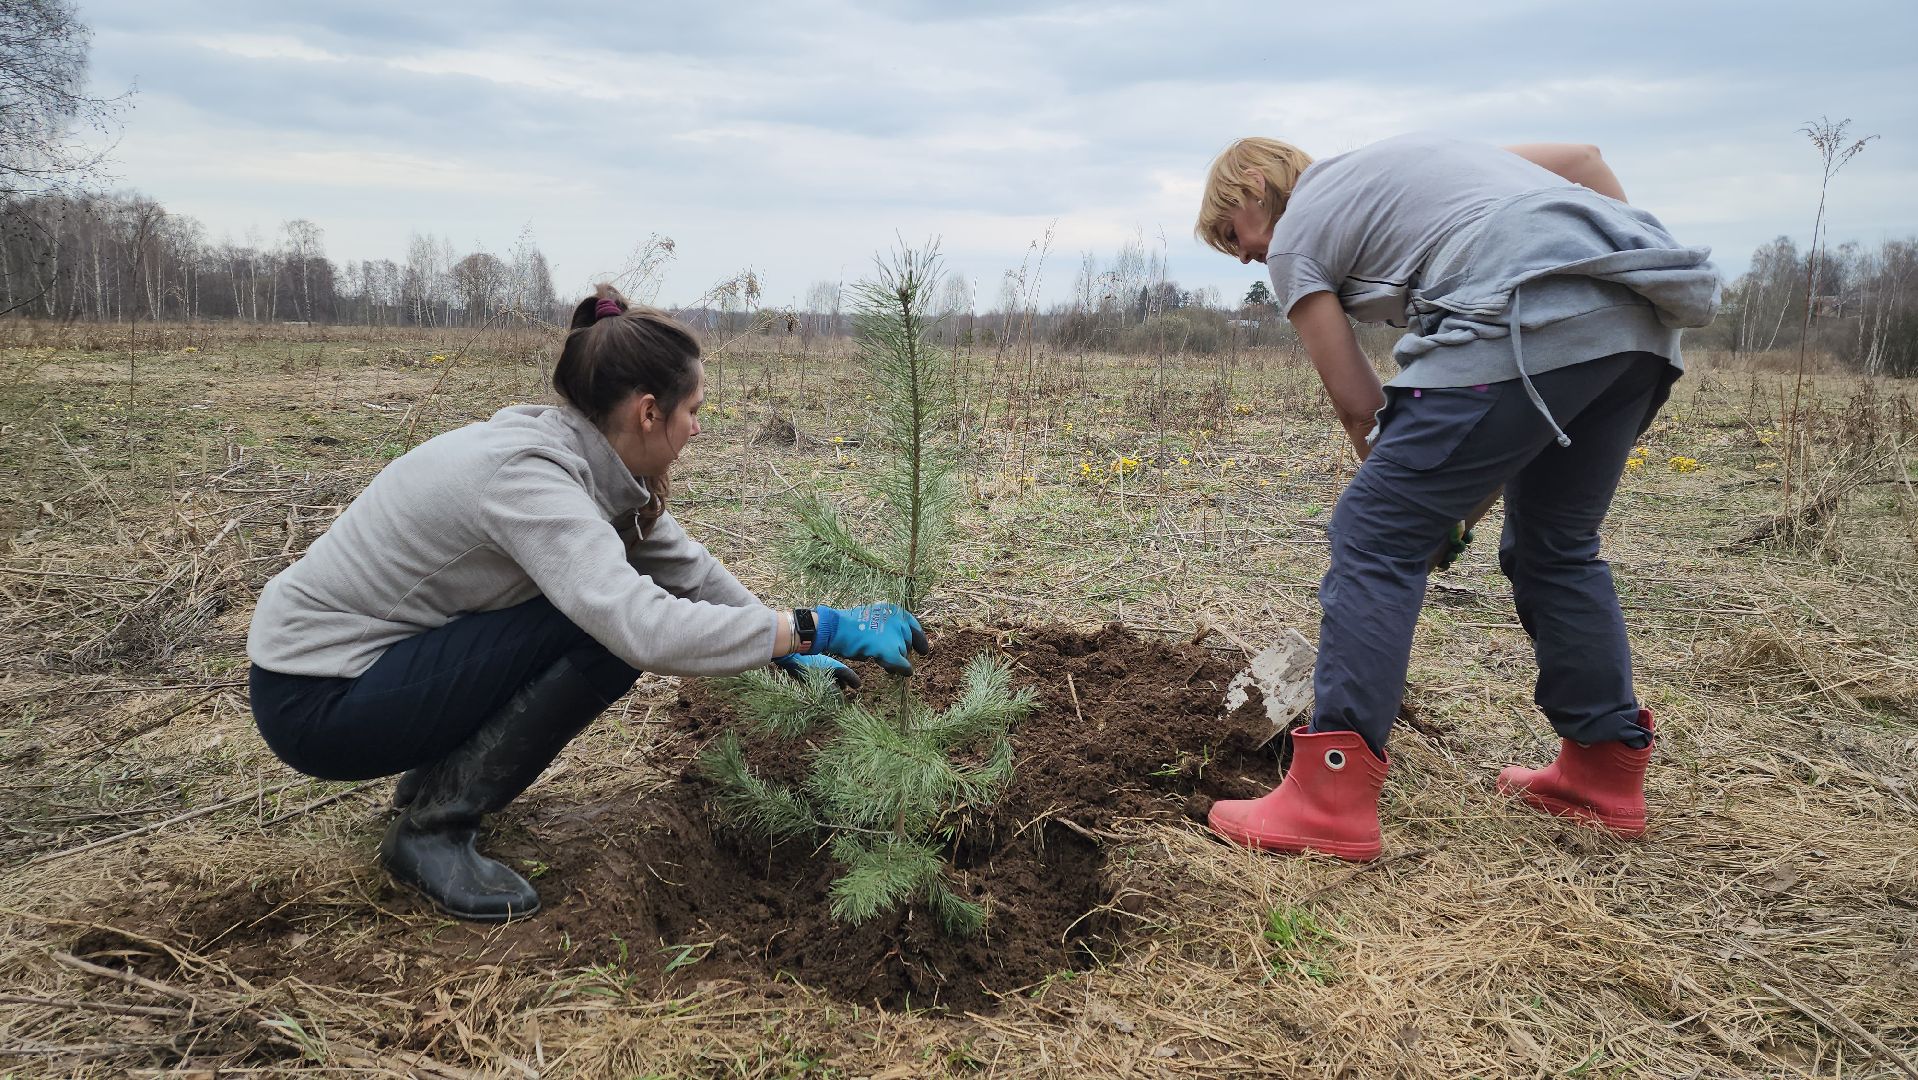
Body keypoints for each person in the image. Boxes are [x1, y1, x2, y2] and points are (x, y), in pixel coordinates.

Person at [246, 287, 930, 920]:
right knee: (596, 629)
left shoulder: (584, 457)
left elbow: (683, 566)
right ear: (648, 411)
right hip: (317, 702)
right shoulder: (531, 481)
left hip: (373, 671)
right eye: (693, 411)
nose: (696, 430)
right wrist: (816, 629)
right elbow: (643, 629)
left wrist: (787, 648)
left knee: (588, 608)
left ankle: (432, 786)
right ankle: (432, 830)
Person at [1194, 134, 1719, 860]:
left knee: (1374, 530)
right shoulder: (1431, 163)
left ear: (1252, 184)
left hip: (1526, 316)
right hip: (1639, 323)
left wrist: (1412, 518)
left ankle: (1328, 800)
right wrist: (1595, 292)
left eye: (1233, 234)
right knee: (1556, 547)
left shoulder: (1299, 232)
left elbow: (1358, 406)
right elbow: (1587, 162)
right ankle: (1602, 772)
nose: (1247, 255)